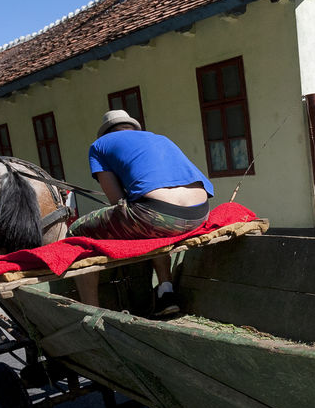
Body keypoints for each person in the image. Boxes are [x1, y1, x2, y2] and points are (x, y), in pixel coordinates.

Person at [69, 110, 213, 316]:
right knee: (151, 222)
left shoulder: (99, 146)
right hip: (199, 213)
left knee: (77, 232)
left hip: (158, 217)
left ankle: (91, 312)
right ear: (133, 128)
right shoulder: (158, 138)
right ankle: (166, 292)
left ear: (105, 133)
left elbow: (116, 201)